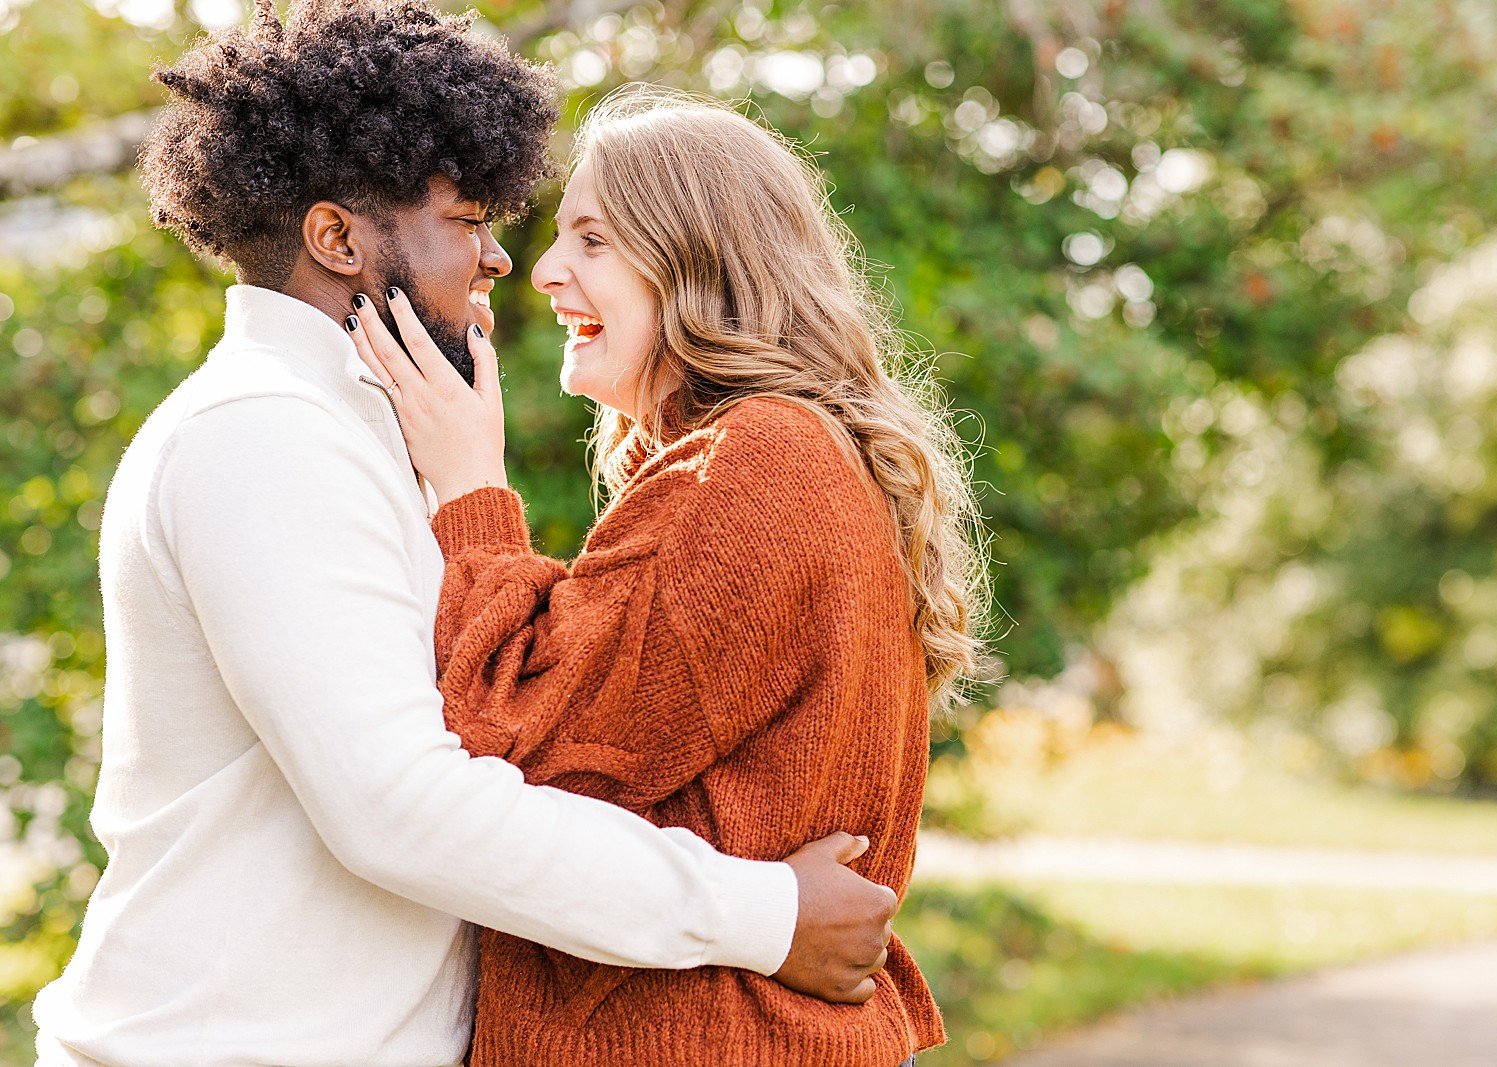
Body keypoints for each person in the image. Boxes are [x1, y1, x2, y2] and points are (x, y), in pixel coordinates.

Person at [32, 8, 894, 1066]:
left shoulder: (366, 435)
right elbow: (404, 805)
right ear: (338, 238)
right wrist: (765, 913)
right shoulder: (264, 435)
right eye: (470, 220)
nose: (500, 260)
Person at [350, 85, 989, 1065]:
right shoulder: (770, 457)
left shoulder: (760, 461)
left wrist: (472, 488)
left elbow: (514, 748)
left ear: (702, 264)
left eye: (594, 240)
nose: (548, 271)